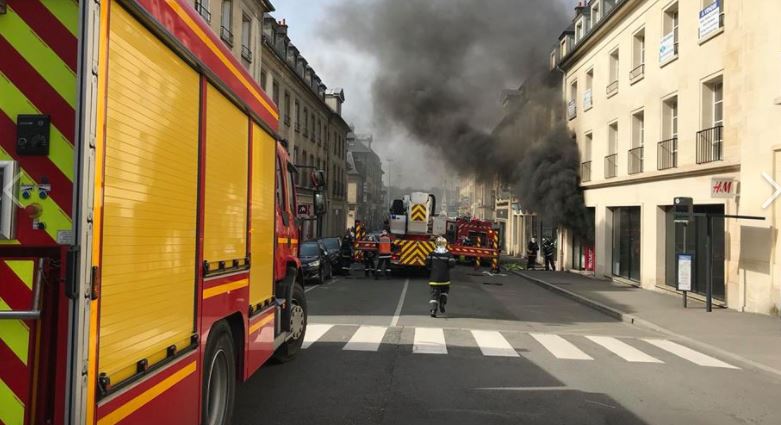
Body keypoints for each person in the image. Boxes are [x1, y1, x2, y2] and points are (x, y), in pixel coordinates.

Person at [426, 236, 456, 317]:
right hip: (445, 278)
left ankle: (433, 310)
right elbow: (452, 264)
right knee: (445, 291)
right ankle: (442, 303)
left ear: (436, 244)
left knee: (434, 295)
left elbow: (427, 265)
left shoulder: (431, 254)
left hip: (434, 279)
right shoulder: (449, 254)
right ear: (445, 244)